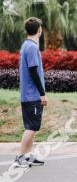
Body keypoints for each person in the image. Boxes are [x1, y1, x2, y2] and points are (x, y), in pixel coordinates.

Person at [14, 17, 47, 168]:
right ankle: (20, 156)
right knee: (31, 127)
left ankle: (27, 156)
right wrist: (42, 94)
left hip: (27, 95)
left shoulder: (26, 45)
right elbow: (34, 72)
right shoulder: (32, 48)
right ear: (39, 30)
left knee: (32, 126)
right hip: (32, 95)